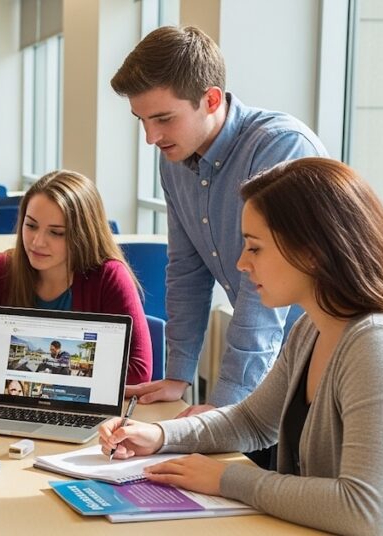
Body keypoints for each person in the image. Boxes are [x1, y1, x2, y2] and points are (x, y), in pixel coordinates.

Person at [99, 158, 383, 535]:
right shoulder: (311, 329)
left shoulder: (382, 347)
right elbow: (252, 421)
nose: (241, 264)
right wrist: (161, 436)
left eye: (255, 248)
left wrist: (226, 479)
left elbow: (368, 512)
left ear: (311, 252)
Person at [110, 26, 328, 416]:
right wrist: (179, 373)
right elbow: (186, 272)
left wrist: (225, 405)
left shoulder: (281, 147)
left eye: (163, 118)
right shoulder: (173, 160)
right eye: (141, 120)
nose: (150, 137)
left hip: (324, 357)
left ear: (210, 99)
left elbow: (262, 295)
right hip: (271, 364)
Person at [0, 170, 152, 394]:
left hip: (81, 410)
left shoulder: (109, 276)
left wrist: (14, 377)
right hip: (12, 401)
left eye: (57, 233)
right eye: (30, 226)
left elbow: (138, 372)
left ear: (83, 235)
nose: (37, 242)